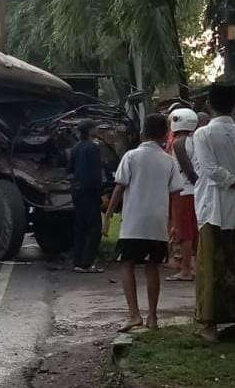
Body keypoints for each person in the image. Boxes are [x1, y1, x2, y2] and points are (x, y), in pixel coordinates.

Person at [193, 82, 235, 342]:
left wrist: (234, 181)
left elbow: (210, 169)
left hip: (213, 209)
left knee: (210, 266)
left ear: (209, 105)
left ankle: (208, 326)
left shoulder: (203, 135)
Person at [103, 113, 183, 332]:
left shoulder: (131, 156)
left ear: (142, 134)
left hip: (133, 223)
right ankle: (153, 317)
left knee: (127, 264)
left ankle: (134, 314)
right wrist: (175, 224)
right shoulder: (169, 161)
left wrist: (108, 216)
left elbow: (119, 188)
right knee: (152, 267)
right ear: (165, 135)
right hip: (157, 223)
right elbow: (176, 195)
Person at [166, 108, 199, 282]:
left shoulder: (178, 143)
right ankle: (197, 267)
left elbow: (187, 170)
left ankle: (186, 269)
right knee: (194, 232)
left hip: (183, 192)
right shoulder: (196, 140)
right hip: (196, 193)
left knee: (184, 232)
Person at [68, 119, 104, 273]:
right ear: (90, 131)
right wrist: (100, 194)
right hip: (90, 191)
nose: (98, 129)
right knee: (95, 228)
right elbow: (96, 174)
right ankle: (87, 263)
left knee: (80, 227)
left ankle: (77, 261)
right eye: (96, 127)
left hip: (77, 192)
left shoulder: (75, 148)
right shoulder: (94, 148)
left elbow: (69, 169)